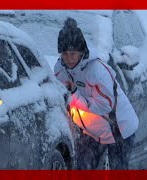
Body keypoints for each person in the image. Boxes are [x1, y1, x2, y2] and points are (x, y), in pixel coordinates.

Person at [54, 17, 139, 170]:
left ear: (82, 52)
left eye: (72, 54)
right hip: (91, 129)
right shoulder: (60, 69)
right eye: (64, 54)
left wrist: (74, 94)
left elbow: (105, 105)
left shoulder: (97, 71)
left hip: (119, 127)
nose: (68, 59)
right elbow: (59, 91)